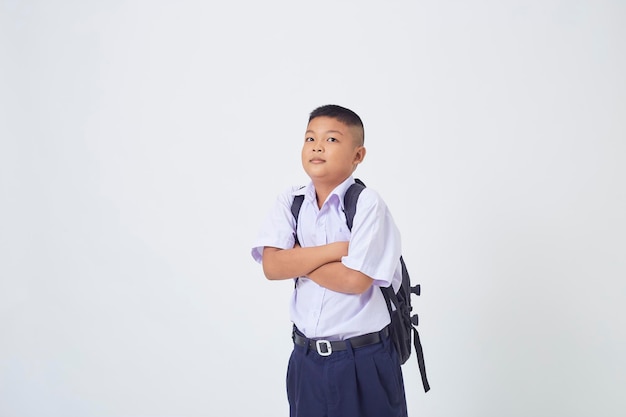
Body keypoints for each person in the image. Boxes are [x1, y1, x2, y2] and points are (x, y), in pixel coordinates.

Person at [251, 104, 408, 417]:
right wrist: (336, 250)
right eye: (310, 138)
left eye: (332, 140)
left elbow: (355, 281)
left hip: (363, 359)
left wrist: (296, 258)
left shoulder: (366, 204)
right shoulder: (292, 201)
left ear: (358, 156)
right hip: (306, 359)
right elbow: (272, 267)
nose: (317, 146)